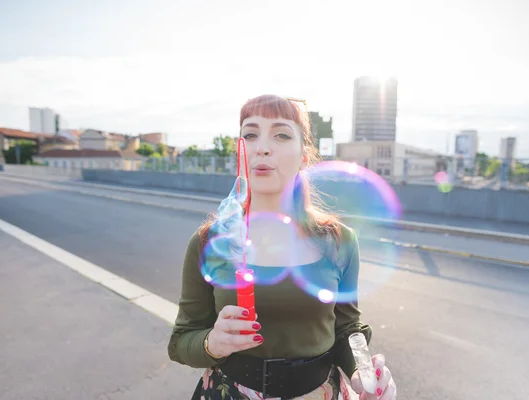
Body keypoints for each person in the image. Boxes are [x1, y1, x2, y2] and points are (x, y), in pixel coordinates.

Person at [168, 95, 397, 399]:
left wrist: (363, 372)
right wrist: (212, 343)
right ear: (240, 150)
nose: (262, 147)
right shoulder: (209, 242)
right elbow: (181, 341)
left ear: (305, 154)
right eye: (250, 134)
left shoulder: (339, 242)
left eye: (281, 134)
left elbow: (346, 329)